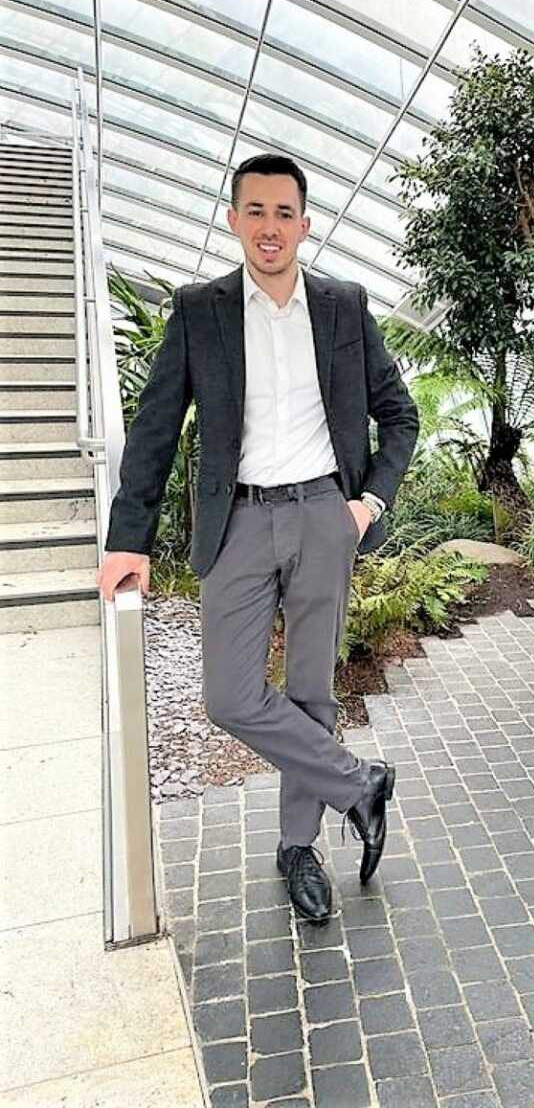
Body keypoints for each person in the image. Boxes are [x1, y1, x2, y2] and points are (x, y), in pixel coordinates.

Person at [97, 153, 419, 923]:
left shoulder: (344, 305)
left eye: (284, 213)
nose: (270, 227)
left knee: (311, 693)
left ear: (305, 225)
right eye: (256, 211)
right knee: (230, 694)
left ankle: (297, 848)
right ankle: (358, 785)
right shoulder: (199, 309)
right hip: (236, 521)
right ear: (233, 219)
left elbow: (399, 414)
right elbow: (153, 430)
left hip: (323, 515)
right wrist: (127, 537)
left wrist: (367, 503)